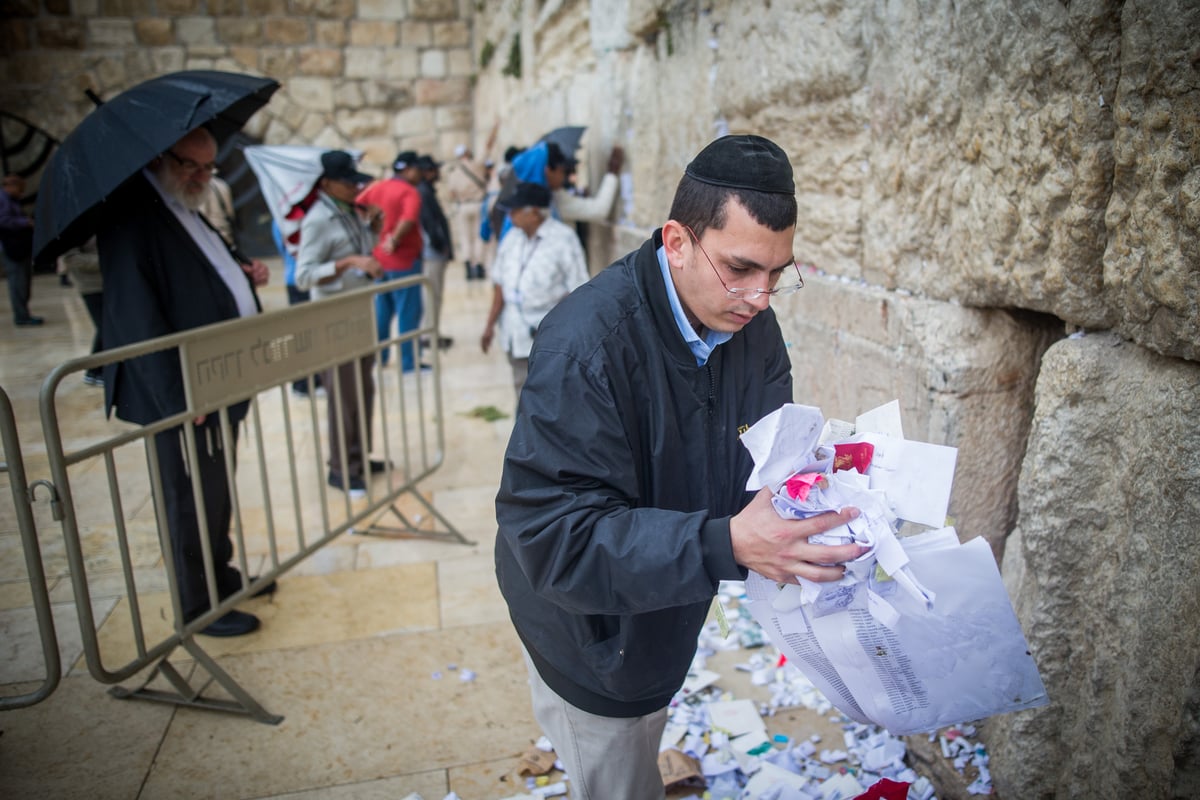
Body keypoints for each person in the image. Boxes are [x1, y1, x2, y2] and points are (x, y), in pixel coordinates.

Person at [494, 135, 865, 799]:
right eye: (741, 269)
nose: (759, 298)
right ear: (676, 243)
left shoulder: (753, 326)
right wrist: (723, 543)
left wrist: (816, 493)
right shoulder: (584, 347)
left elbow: (760, 451)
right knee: (618, 775)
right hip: (593, 640)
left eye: (778, 276)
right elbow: (556, 540)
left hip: (664, 612)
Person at [97, 126, 273, 638]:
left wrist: (241, 274)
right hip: (180, 390)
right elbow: (136, 318)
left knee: (215, 487)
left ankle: (222, 574)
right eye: (190, 165)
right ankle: (197, 603)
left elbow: (198, 272)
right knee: (186, 495)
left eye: (209, 167)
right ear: (157, 158)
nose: (201, 176)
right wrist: (178, 398)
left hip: (218, 378)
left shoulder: (182, 205)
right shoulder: (132, 218)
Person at [293, 151, 384, 500]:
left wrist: (373, 229)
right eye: (347, 181)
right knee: (343, 396)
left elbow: (365, 252)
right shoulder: (317, 219)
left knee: (363, 390)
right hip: (334, 320)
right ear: (327, 183)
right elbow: (303, 276)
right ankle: (341, 469)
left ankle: (359, 457)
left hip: (359, 313)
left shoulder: (349, 213)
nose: (354, 187)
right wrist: (345, 263)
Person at [480, 182, 587, 396]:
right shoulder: (511, 239)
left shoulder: (563, 239)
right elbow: (500, 285)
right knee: (522, 394)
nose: (510, 216)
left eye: (516, 211)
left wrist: (557, 328)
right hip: (514, 333)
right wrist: (490, 325)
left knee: (551, 397)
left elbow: (579, 292)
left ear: (534, 213)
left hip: (549, 340)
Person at [356, 150, 424, 371]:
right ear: (408, 169)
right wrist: (394, 239)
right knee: (408, 312)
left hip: (379, 262)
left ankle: (381, 358)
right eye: (417, 169)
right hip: (403, 260)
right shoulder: (408, 191)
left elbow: (358, 205)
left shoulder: (377, 187)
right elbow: (408, 218)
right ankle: (408, 363)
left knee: (383, 311)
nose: (420, 174)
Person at [272, 219, 322, 398]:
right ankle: (302, 383)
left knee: (311, 334)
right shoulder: (286, 219)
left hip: (299, 279)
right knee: (303, 335)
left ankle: (314, 379)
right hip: (299, 281)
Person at [415, 154, 453, 346]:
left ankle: (432, 333)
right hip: (432, 253)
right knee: (432, 294)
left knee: (434, 294)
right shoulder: (423, 192)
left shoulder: (426, 190)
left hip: (434, 251)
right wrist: (441, 246)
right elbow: (430, 223)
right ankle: (428, 336)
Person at [58, 236, 104, 385]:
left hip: (108, 282)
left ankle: (98, 370)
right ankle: (94, 371)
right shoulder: (75, 227)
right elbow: (71, 259)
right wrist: (106, 259)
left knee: (109, 327)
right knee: (105, 328)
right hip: (91, 286)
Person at [0, 173, 42, 326]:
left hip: (19, 247)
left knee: (23, 282)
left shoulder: (10, 200)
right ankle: (21, 316)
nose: (21, 193)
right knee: (18, 283)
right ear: (10, 186)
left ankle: (24, 314)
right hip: (12, 249)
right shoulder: (3, 199)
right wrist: (25, 222)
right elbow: (3, 220)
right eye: (20, 189)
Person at [199, 173, 237, 247]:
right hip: (226, 234)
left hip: (211, 238)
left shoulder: (200, 187)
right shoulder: (223, 185)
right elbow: (230, 213)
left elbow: (202, 215)